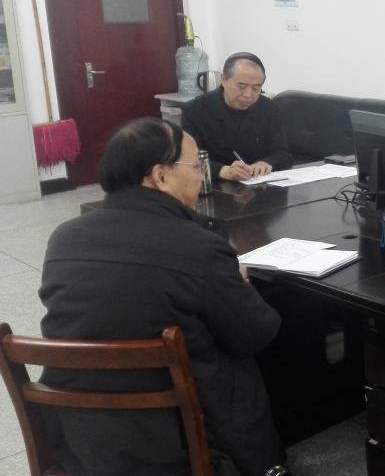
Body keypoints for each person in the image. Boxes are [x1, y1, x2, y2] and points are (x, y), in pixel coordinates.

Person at [39, 118, 288, 476]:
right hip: (177, 442)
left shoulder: (63, 238)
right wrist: (240, 283)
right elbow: (257, 333)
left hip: (80, 436)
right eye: (195, 166)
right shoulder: (198, 248)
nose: (201, 176)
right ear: (161, 176)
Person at [182, 52, 293, 181]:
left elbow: (283, 154)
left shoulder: (269, 109)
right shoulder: (195, 110)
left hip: (257, 183)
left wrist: (267, 163)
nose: (248, 95)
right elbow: (187, 161)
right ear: (223, 80)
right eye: (241, 86)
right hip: (213, 185)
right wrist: (222, 171)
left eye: (256, 88)